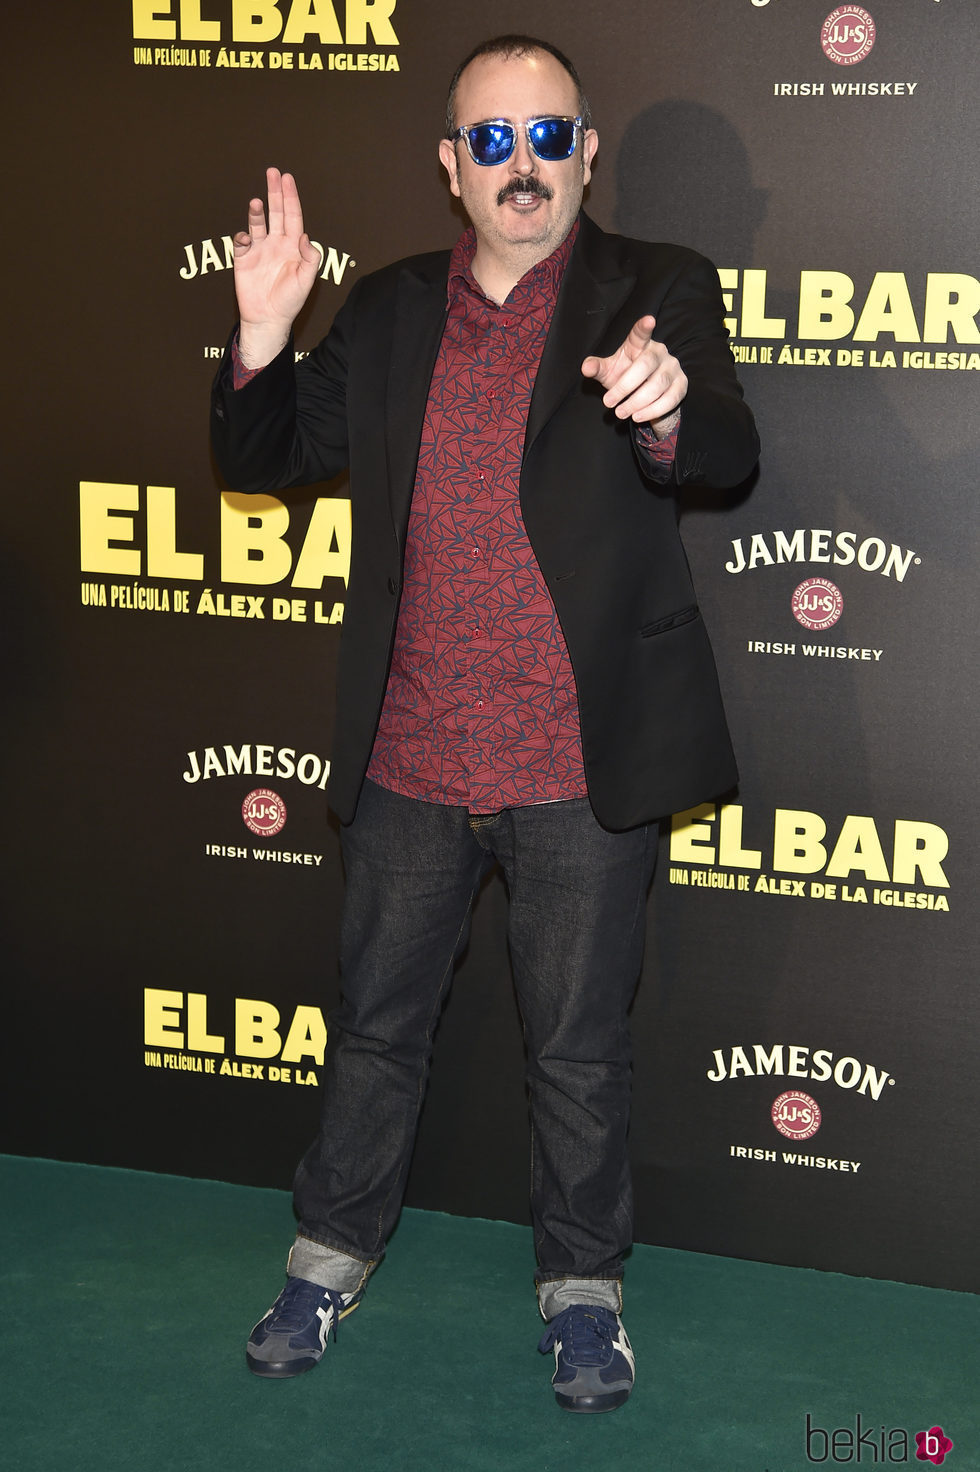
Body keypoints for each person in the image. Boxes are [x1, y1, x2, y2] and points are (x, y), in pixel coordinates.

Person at [211, 34, 759, 1413]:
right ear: (453, 167)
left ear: (586, 149)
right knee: (376, 1031)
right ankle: (325, 1258)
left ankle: (585, 1297)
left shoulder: (659, 289)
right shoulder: (392, 309)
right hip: (408, 758)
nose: (525, 165)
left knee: (576, 1050)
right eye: (493, 141)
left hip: (580, 766)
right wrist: (264, 335)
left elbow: (728, 451)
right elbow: (265, 455)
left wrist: (665, 407)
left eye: (549, 135)